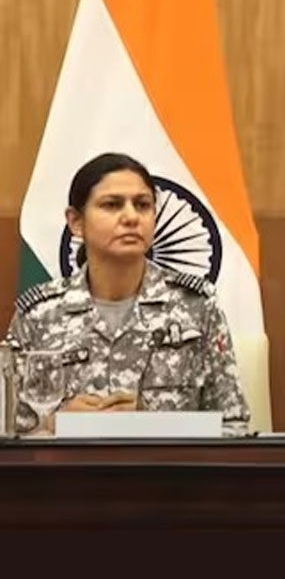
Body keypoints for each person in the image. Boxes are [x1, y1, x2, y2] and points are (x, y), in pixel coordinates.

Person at [6, 153, 249, 435]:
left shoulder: (196, 307)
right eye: (112, 205)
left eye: (143, 205)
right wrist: (52, 428)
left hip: (167, 465)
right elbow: (8, 436)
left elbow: (235, 428)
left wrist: (150, 424)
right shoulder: (38, 316)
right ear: (76, 222)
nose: (131, 217)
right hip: (67, 465)